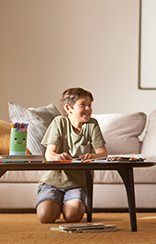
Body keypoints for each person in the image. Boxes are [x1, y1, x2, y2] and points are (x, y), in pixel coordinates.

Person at [36, 87, 108, 223]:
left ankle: (65, 206)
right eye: (83, 104)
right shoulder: (59, 122)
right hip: (52, 183)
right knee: (45, 217)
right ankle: (56, 206)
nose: (88, 108)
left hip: (77, 184)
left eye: (90, 105)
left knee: (73, 217)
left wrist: (92, 156)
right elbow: (49, 154)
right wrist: (58, 157)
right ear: (69, 109)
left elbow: (103, 153)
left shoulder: (92, 125)